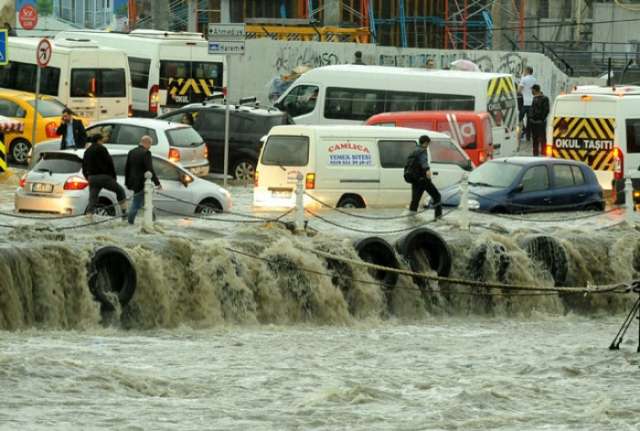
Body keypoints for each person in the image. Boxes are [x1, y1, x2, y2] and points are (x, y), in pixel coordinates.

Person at [82, 133, 127, 216]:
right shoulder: (102, 149)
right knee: (120, 191)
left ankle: (88, 216)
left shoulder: (87, 151)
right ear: (99, 140)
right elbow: (109, 163)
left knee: (92, 199)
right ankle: (124, 212)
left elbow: (84, 166)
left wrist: (87, 177)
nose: (103, 141)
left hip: (92, 178)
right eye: (102, 140)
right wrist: (113, 177)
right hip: (104, 177)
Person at [124, 135, 161, 225]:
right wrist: (157, 183)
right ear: (146, 143)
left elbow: (127, 168)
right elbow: (150, 169)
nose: (150, 147)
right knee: (136, 203)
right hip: (142, 183)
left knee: (146, 203)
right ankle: (130, 223)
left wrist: (127, 182)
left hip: (133, 182)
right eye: (150, 144)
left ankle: (152, 221)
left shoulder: (131, 152)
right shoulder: (146, 153)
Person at [405, 135, 442, 220]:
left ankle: (411, 218)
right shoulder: (422, 151)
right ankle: (438, 218)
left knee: (415, 200)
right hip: (423, 179)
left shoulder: (414, 150)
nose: (428, 146)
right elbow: (424, 162)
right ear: (425, 143)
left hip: (414, 179)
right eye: (428, 144)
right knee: (437, 196)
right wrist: (428, 171)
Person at [529, 84, 550, 157]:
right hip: (534, 123)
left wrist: (541, 119)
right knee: (535, 139)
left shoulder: (545, 98)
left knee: (542, 139)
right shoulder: (534, 98)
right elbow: (532, 110)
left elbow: (546, 110)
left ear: (535, 90)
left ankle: (544, 154)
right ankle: (535, 155)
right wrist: (531, 119)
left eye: (532, 90)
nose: (531, 91)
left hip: (541, 123)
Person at [518, 66, 537, 144]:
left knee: (519, 119)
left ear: (527, 71)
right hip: (532, 103)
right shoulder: (535, 80)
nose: (523, 72)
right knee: (529, 121)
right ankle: (528, 137)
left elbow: (519, 90)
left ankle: (518, 135)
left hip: (524, 103)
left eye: (524, 71)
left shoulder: (524, 79)